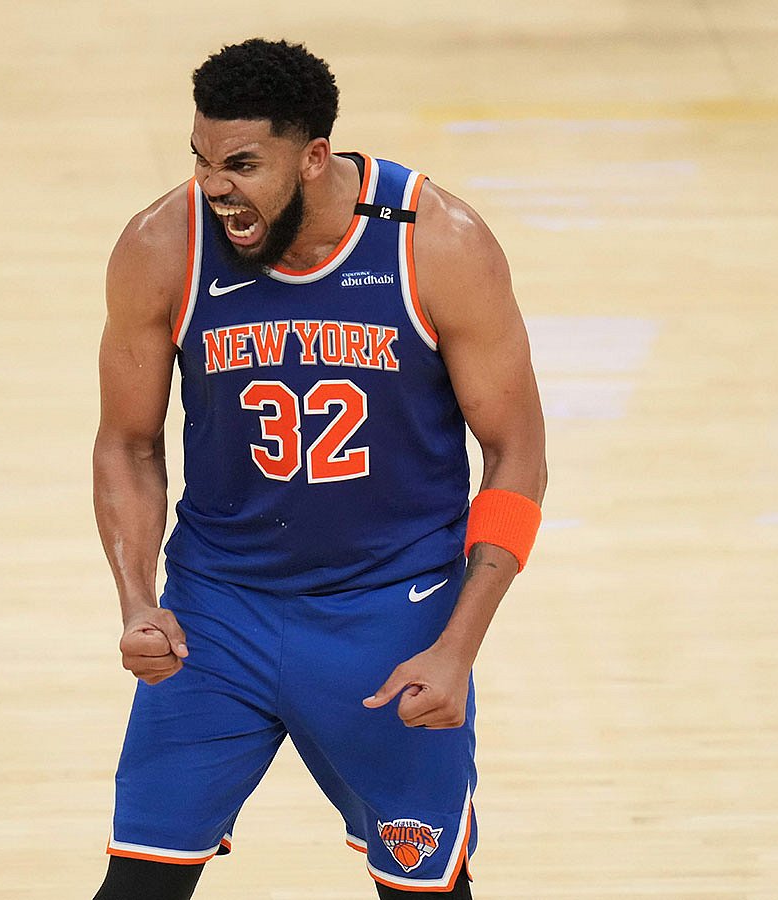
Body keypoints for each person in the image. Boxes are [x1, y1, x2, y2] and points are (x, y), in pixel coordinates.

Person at [91, 38, 547, 900]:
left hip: (389, 619)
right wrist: (138, 602)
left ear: (311, 157)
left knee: (421, 891)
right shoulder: (164, 246)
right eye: (200, 158)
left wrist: (458, 647)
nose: (213, 185)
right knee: (134, 888)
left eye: (241, 164)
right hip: (217, 615)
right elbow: (127, 443)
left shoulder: (436, 242)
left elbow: (517, 453)